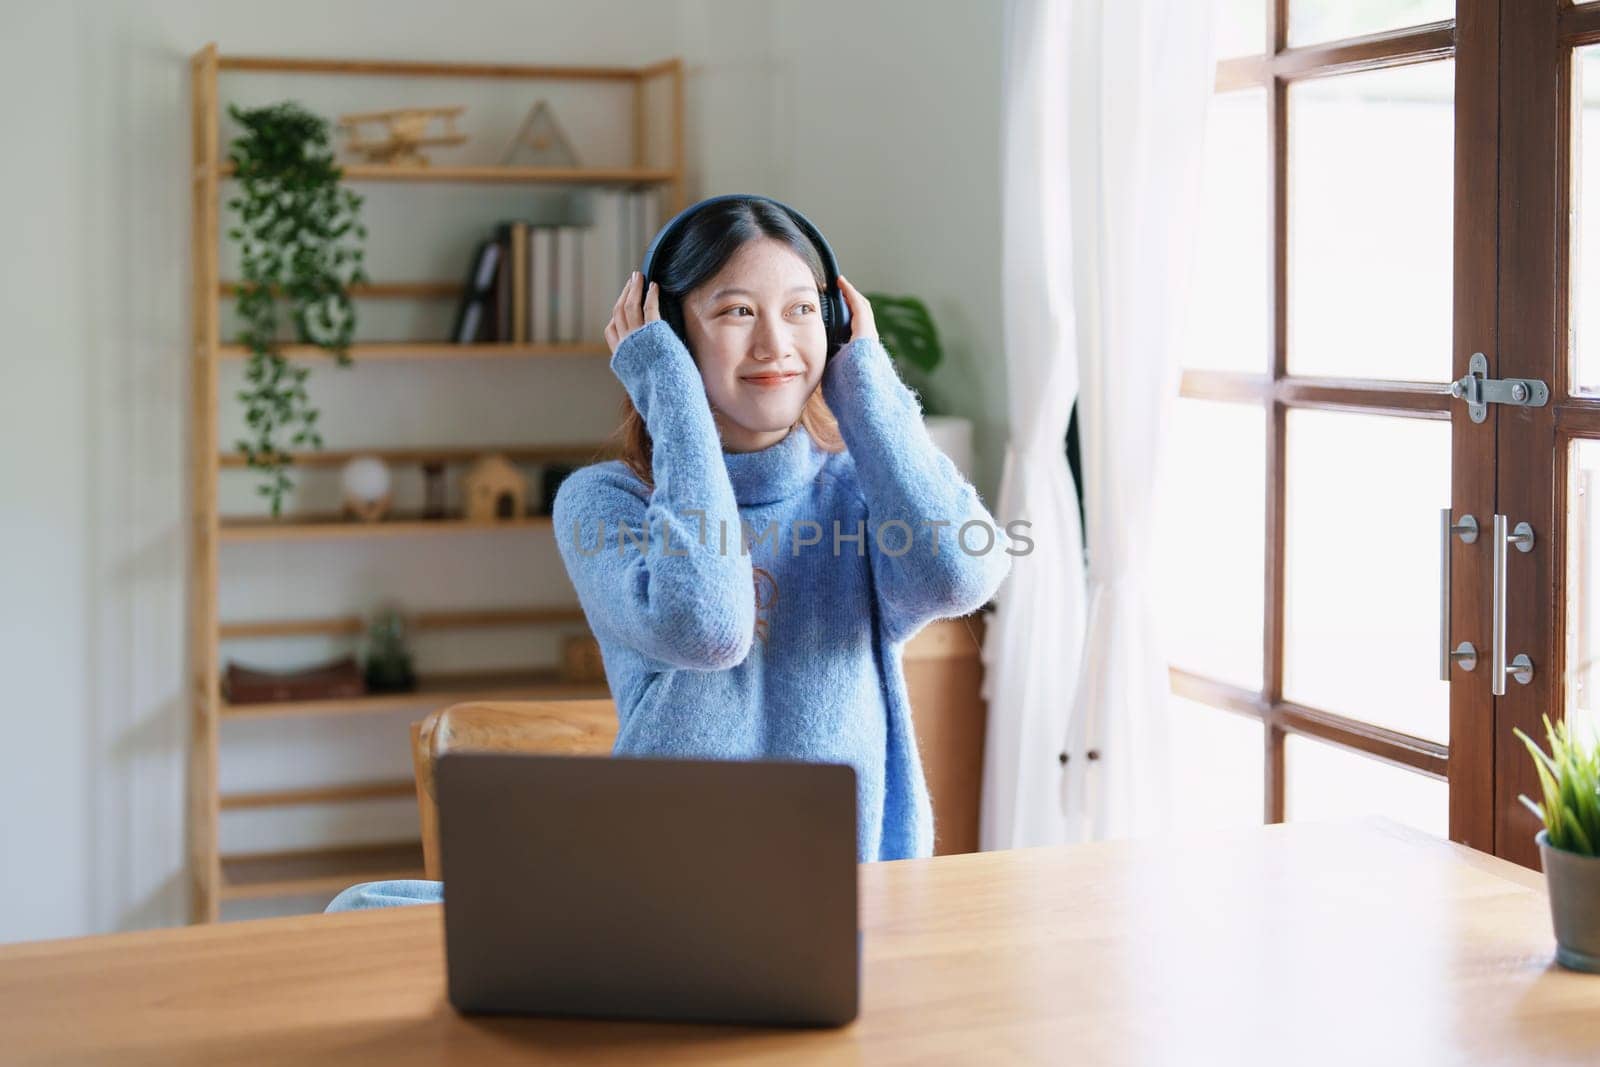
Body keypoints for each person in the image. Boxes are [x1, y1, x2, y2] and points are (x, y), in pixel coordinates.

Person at [325, 196, 1013, 913]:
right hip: (660, 899)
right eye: (736, 312)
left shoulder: (859, 493)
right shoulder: (603, 503)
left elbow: (960, 572)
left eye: (803, 310)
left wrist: (868, 389)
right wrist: (672, 398)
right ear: (672, 338)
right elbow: (707, 626)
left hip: (853, 903)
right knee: (358, 912)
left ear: (837, 326)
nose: (776, 343)